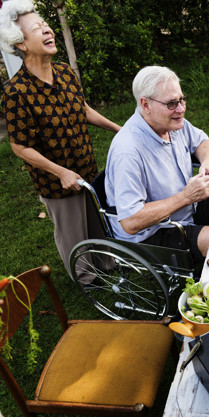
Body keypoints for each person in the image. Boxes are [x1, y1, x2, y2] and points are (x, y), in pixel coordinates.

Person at [0, 0, 121, 280]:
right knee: (72, 231)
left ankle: (108, 264)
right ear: (21, 43)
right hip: (56, 180)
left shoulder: (65, 72)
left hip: (85, 164)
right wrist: (61, 172)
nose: (47, 31)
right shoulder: (16, 92)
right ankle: (87, 280)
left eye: (45, 25)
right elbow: (19, 146)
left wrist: (120, 129)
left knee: (95, 220)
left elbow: (84, 109)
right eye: (37, 29)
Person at [105, 66, 209, 263]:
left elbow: (203, 142)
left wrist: (207, 164)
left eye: (181, 100)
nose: (181, 109)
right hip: (152, 232)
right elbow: (131, 222)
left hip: (186, 208)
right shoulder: (128, 151)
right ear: (146, 104)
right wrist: (186, 196)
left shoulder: (171, 122)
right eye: (171, 103)